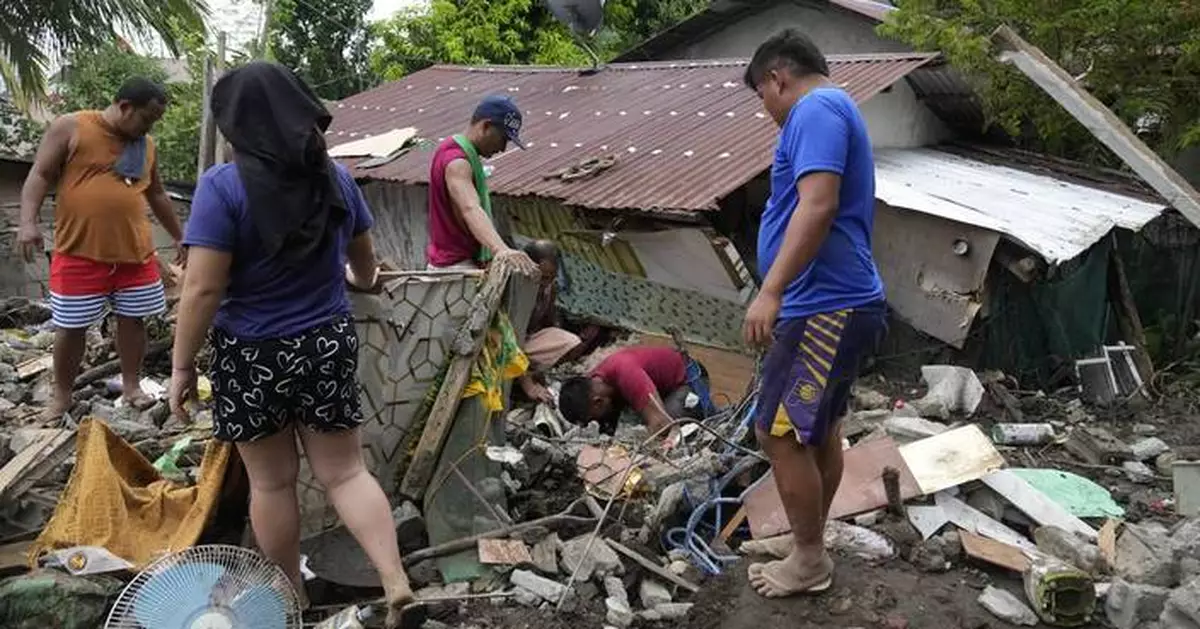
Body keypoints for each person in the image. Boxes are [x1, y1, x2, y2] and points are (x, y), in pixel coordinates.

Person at [166, 62, 415, 627]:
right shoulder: (336, 177)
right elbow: (365, 264)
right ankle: (395, 580)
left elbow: (204, 287)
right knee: (347, 473)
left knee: (273, 482)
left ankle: (290, 603)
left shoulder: (221, 188)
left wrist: (182, 366)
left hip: (251, 354)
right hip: (326, 342)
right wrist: (361, 282)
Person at [740, 29, 888, 599]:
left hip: (822, 305)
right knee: (817, 430)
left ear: (778, 77)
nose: (767, 110)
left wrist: (770, 291)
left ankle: (808, 560)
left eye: (762, 96)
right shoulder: (835, 107)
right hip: (837, 302)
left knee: (778, 434)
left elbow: (818, 203)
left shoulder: (815, 108)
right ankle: (810, 541)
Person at [17, 77, 185, 419]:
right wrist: (28, 222)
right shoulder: (72, 127)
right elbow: (39, 173)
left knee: (133, 320)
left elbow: (157, 194)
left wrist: (181, 236)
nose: (149, 127)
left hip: (135, 253)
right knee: (71, 326)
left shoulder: (145, 144)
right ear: (125, 107)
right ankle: (61, 396)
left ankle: (132, 385)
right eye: (146, 118)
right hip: (78, 250)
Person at [425, 94, 538, 276]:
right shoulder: (457, 161)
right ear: (486, 126)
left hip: (458, 263)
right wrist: (501, 250)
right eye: (503, 139)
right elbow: (470, 208)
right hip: (456, 268)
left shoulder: (462, 154)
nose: (502, 148)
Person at [558, 345, 706, 438]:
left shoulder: (626, 374)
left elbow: (661, 424)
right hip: (656, 387)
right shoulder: (593, 382)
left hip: (688, 380)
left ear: (597, 402)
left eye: (592, 419)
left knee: (668, 427)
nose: (595, 422)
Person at [520, 240, 584, 388]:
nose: (546, 283)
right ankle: (523, 377)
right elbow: (505, 334)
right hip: (507, 342)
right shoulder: (516, 289)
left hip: (529, 339)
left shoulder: (550, 288)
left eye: (551, 278)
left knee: (573, 343)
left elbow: (548, 320)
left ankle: (536, 372)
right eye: (543, 277)